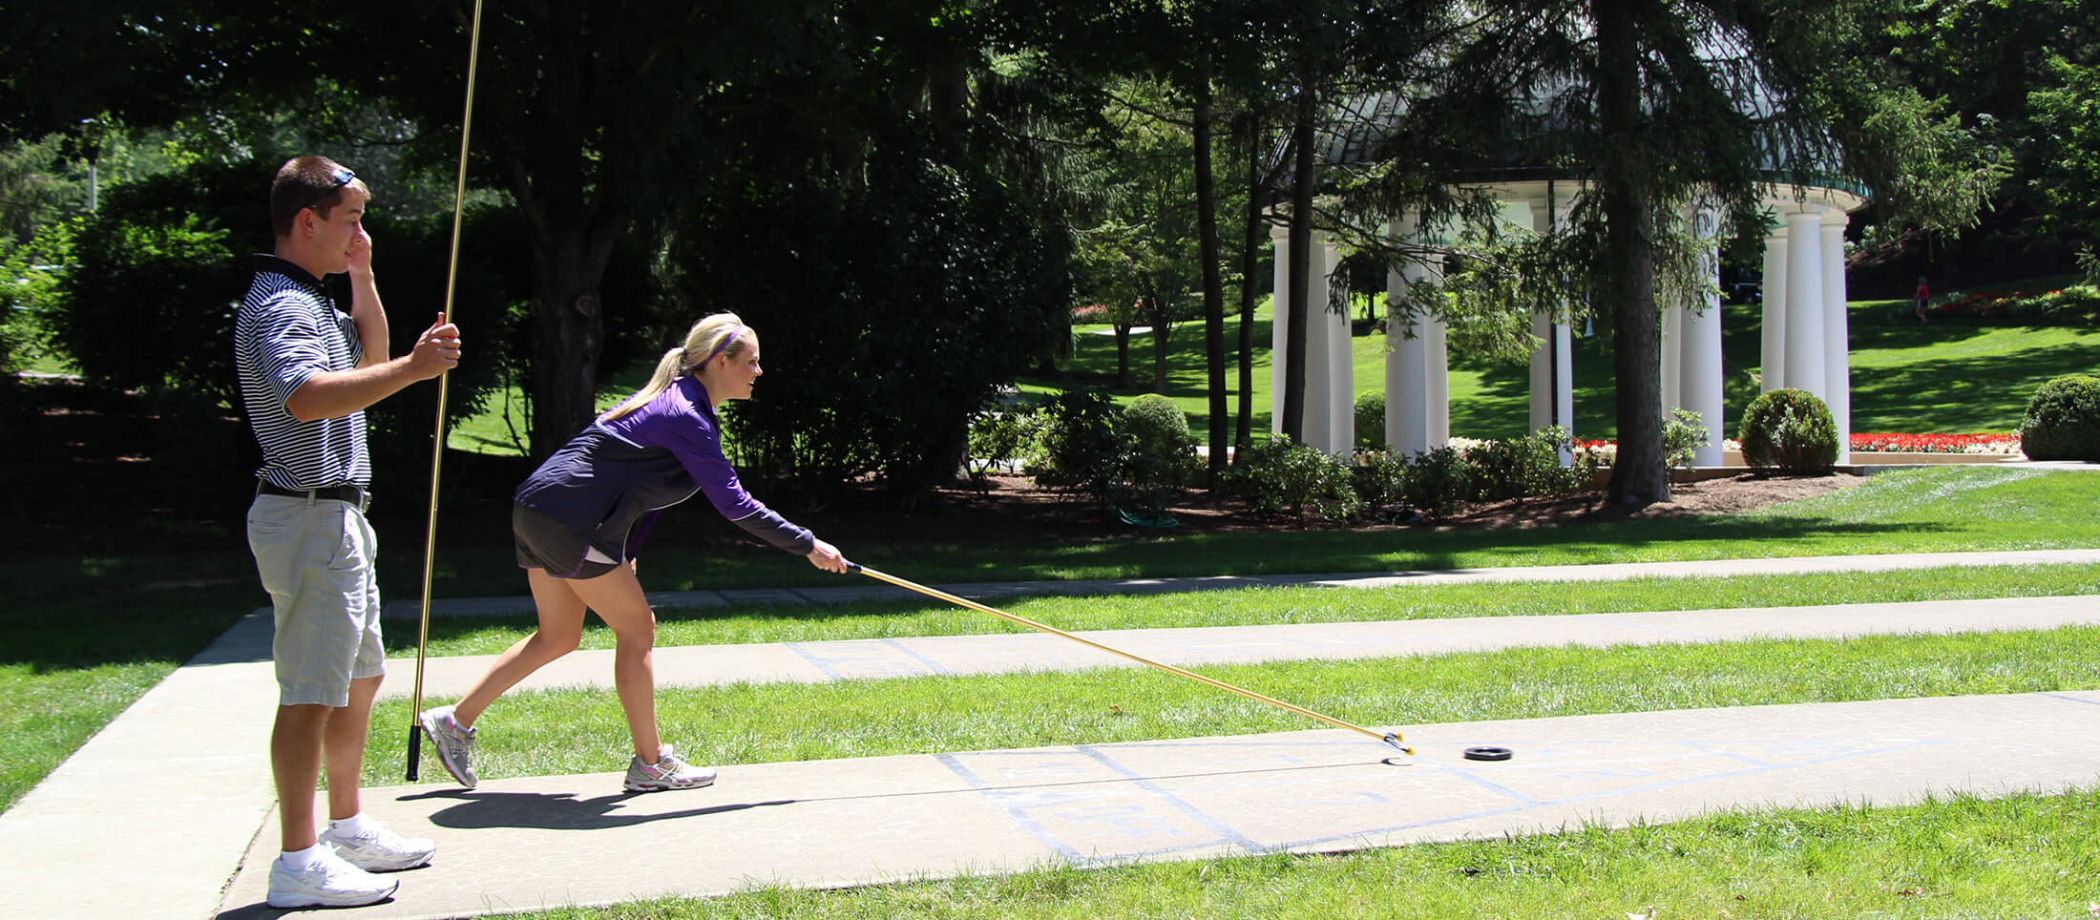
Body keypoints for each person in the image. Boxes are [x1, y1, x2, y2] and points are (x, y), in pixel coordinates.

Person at [416, 313, 849, 793]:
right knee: (638, 628)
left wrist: (625, 551)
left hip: (539, 510)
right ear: (720, 361)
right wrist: (807, 544)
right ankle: (650, 763)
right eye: (752, 361)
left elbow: (640, 491)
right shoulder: (686, 415)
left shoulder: (678, 405)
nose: (758, 371)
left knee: (558, 636)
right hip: (568, 521)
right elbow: (735, 505)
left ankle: (454, 723)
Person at [238, 156, 462, 908]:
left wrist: (364, 278)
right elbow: (306, 398)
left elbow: (369, 356)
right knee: (309, 692)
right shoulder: (281, 307)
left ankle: (344, 827)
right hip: (306, 516)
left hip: (335, 515)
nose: (360, 233)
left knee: (358, 678)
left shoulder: (313, 297)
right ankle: (298, 862)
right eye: (351, 221)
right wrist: (414, 369)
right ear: (308, 222)